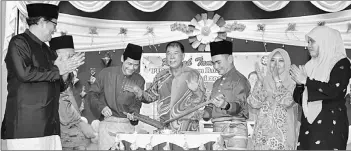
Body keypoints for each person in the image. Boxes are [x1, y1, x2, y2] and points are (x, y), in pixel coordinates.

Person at [1, 3, 85, 150]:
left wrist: (64, 74)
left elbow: (58, 86)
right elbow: (24, 73)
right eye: (54, 24)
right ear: (41, 22)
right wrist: (57, 70)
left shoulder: (48, 51)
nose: (55, 29)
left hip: (50, 126)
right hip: (26, 126)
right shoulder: (19, 42)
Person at [290, 26, 351, 150]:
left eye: (312, 41)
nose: (309, 45)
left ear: (325, 41)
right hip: (309, 126)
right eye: (308, 42)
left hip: (332, 125)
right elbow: (299, 99)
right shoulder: (310, 66)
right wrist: (299, 84)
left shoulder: (342, 63)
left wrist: (306, 80)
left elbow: (334, 91)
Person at [124, 41, 206, 132]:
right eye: (168, 53)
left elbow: (204, 102)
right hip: (165, 129)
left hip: (188, 128)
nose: (171, 57)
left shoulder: (193, 75)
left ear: (183, 56)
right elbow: (150, 96)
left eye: (175, 53)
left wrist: (197, 91)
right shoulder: (161, 76)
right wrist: (140, 93)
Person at [88, 43, 145, 150]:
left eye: (136, 65)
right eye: (129, 63)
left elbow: (137, 102)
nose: (132, 68)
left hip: (127, 126)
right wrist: (101, 107)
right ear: (122, 58)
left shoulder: (139, 80)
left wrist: (134, 114)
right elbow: (92, 94)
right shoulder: (106, 73)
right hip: (107, 124)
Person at [202, 40, 251, 150]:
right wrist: (205, 112)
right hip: (217, 129)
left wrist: (226, 105)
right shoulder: (216, 83)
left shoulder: (240, 80)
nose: (215, 66)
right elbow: (209, 110)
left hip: (235, 128)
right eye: (213, 63)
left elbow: (240, 106)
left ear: (230, 59)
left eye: (218, 62)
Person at [49, 35, 96, 150]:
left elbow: (69, 99)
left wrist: (80, 121)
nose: (73, 60)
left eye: (73, 55)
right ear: (55, 57)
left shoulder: (69, 76)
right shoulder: (47, 76)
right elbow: (60, 105)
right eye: (69, 56)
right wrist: (80, 123)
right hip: (57, 131)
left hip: (71, 128)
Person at [247, 48, 297, 150]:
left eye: (281, 60)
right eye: (273, 60)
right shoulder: (264, 81)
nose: (276, 64)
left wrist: (277, 80)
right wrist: (260, 82)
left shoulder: (293, 83)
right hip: (262, 136)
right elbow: (254, 103)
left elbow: (287, 101)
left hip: (283, 137)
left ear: (287, 63)